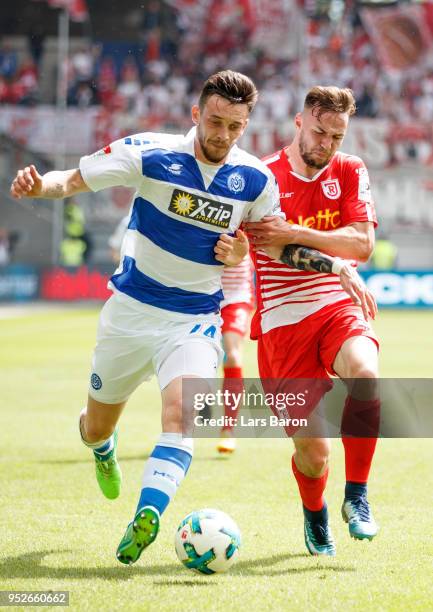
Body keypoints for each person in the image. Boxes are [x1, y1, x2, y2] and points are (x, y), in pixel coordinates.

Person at [10, 72, 373, 567]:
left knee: (182, 419)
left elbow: (279, 245)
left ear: (246, 126)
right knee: (95, 427)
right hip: (130, 312)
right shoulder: (150, 153)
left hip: (194, 319)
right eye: (216, 121)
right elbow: (72, 180)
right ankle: (102, 445)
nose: (222, 135)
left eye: (234, 126)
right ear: (196, 114)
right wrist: (38, 187)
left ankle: (146, 516)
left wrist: (330, 266)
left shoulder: (254, 180)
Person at [245, 86, 380, 556]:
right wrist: (334, 257)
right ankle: (316, 511)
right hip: (282, 323)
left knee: (366, 373)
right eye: (320, 132)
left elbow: (362, 243)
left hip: (335, 304)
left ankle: (357, 497)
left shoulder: (350, 169)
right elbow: (273, 246)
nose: (327, 145)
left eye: (337, 136)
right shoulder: (262, 176)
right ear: (299, 121)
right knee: (314, 452)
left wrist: (302, 234)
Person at [217, 255, 255, 454]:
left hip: (236, 297)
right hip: (203, 297)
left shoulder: (246, 223)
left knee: (232, 355)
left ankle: (228, 429)